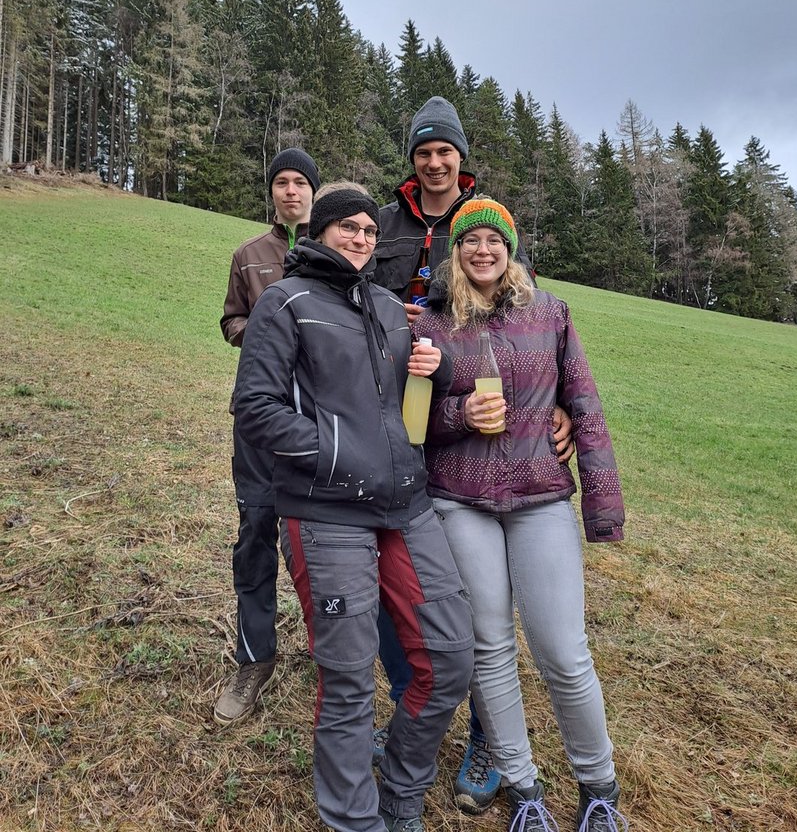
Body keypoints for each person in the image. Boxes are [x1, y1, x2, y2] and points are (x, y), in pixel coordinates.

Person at [233, 184, 474, 832]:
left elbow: (405, 398)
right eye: (349, 227)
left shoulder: (388, 307)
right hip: (325, 508)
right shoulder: (286, 302)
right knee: (347, 678)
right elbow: (255, 408)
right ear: (320, 231)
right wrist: (339, 452)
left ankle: (401, 791)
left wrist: (438, 368)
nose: (363, 238)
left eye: (370, 229)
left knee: (450, 657)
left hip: (404, 506)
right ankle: (354, 820)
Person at [372, 96, 575, 814]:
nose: (435, 162)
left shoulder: (485, 225)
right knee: (404, 585)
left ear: (461, 159)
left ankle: (487, 739)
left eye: (445, 152)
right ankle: (416, 716)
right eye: (424, 151)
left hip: (469, 442)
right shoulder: (380, 223)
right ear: (413, 159)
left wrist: (553, 406)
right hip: (389, 419)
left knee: (485, 609)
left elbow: (527, 330)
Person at [412, 197, 628, 832]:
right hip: (461, 500)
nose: (482, 251)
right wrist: (459, 415)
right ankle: (523, 788)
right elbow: (411, 424)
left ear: (510, 251)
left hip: (540, 498)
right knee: (489, 648)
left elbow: (583, 406)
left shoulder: (551, 314)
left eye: (494, 241)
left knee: (563, 651)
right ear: (455, 251)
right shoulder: (432, 324)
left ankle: (599, 788)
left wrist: (603, 506)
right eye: (470, 241)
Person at [213, 147, 320, 726]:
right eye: (282, 182)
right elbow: (230, 320)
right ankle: (255, 658)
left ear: (313, 192)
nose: (291, 191)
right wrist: (262, 327)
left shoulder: (336, 251)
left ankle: (330, 653)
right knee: (255, 530)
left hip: (317, 420)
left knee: (318, 540)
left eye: (300, 182)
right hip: (257, 418)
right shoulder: (249, 256)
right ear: (272, 193)